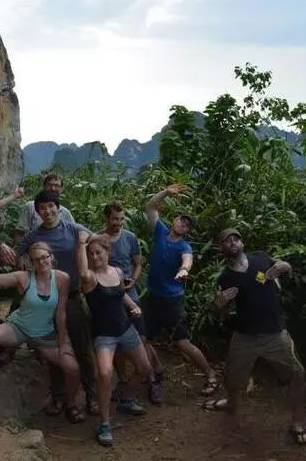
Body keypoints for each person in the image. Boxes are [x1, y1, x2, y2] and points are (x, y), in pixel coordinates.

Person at [0, 240, 87, 423]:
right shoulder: (24, 277)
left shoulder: (62, 278)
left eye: (45, 257)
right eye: (37, 260)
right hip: (18, 327)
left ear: (51, 257)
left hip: (44, 333)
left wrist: (63, 343)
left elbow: (60, 312)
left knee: (73, 368)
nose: (42, 262)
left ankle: (71, 405)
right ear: (31, 262)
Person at [206, 228, 306, 445]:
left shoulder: (261, 258)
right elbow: (222, 311)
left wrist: (286, 266)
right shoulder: (226, 277)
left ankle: (297, 422)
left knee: (297, 373)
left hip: (275, 333)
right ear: (222, 249)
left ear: (242, 242)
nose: (233, 242)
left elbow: (283, 267)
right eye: (227, 241)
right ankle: (232, 403)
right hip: (244, 337)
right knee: (232, 378)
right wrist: (219, 304)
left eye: (236, 238)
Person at [6, 190, 98, 417]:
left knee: (82, 348)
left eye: (51, 206)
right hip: (47, 302)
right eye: (42, 208)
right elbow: (15, 253)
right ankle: (59, 397)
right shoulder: (33, 236)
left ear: (58, 207)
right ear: (37, 212)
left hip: (73, 297)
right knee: (55, 350)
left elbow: (99, 243)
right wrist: (3, 249)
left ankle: (91, 395)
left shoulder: (74, 230)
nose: (47, 211)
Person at [142, 184, 218, 404]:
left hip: (171, 301)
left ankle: (210, 375)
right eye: (180, 220)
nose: (182, 224)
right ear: (174, 221)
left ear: (187, 232)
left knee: (182, 343)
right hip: (152, 297)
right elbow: (150, 206)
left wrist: (184, 270)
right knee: (143, 338)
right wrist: (165, 193)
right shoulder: (161, 231)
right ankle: (156, 371)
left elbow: (187, 260)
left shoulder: (185, 247)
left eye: (186, 225)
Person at [76, 233, 152, 447]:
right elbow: (81, 271)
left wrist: (133, 306)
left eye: (98, 252)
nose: (95, 257)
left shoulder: (117, 271)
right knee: (105, 374)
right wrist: (82, 243)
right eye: (91, 254)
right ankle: (105, 423)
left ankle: (125, 397)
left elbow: (121, 294)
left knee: (145, 369)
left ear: (108, 252)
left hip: (126, 329)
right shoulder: (90, 278)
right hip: (104, 335)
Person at [98, 201, 146, 389]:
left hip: (130, 292)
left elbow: (138, 262)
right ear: (107, 218)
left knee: (141, 336)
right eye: (115, 219)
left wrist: (133, 279)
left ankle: (147, 375)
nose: (118, 222)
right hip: (109, 296)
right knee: (115, 340)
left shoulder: (130, 237)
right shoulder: (99, 239)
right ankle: (123, 379)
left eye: (121, 219)